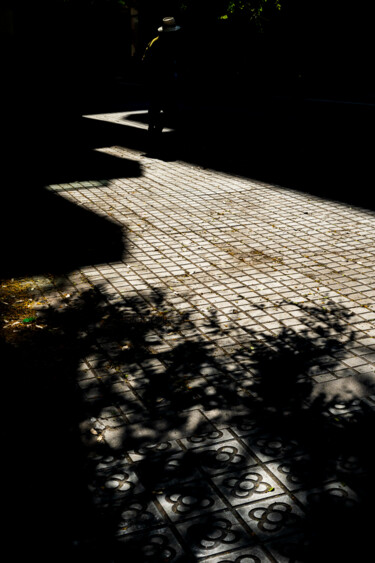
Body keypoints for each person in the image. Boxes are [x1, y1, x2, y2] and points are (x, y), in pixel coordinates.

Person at [142, 17, 183, 138]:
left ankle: (152, 129)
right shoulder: (171, 44)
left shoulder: (154, 41)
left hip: (154, 80)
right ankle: (156, 130)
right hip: (165, 80)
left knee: (155, 106)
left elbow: (144, 60)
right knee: (169, 108)